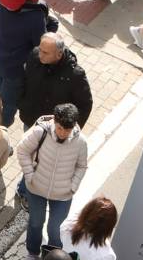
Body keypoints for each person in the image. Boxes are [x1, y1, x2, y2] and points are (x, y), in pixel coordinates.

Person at [17, 103, 89, 257]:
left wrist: (73, 186)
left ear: (74, 126)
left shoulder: (81, 142)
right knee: (36, 223)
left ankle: (54, 256)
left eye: (67, 130)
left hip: (63, 195)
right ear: (54, 121)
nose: (62, 133)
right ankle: (33, 252)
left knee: (55, 229)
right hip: (36, 188)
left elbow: (82, 166)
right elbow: (22, 150)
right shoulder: (40, 132)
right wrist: (30, 175)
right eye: (59, 128)